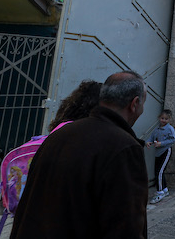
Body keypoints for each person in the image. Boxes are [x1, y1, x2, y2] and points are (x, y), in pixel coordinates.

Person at [11, 71, 149, 238]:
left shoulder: (60, 134)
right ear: (134, 104)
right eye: (143, 102)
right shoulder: (124, 148)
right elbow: (126, 228)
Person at [146, 109, 175, 204]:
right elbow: (152, 136)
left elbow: (173, 140)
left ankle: (159, 193)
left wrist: (161, 143)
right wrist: (148, 141)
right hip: (158, 153)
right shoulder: (157, 129)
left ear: (169, 119)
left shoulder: (169, 129)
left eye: (166, 119)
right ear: (159, 118)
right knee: (158, 171)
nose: (163, 120)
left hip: (165, 151)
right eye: (162, 118)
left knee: (159, 172)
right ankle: (164, 189)